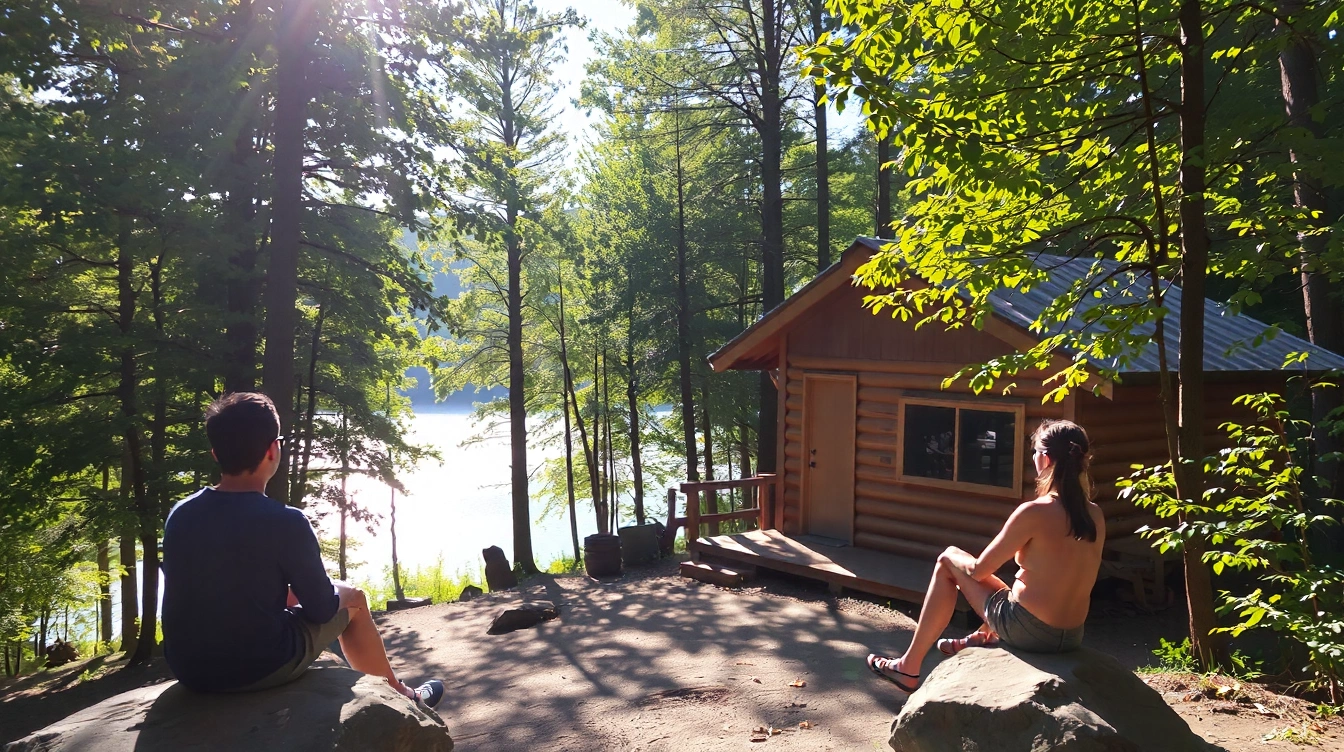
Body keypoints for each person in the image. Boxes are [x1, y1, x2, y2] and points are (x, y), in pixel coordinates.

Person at [162, 392, 444, 707]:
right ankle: (402, 696)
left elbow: (210, 589)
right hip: (256, 669)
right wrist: (327, 592)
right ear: (273, 449)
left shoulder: (181, 514)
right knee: (353, 598)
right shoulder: (285, 521)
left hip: (189, 670)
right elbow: (322, 610)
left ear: (216, 453)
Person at [866, 419, 1105, 693]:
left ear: (1046, 458)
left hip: (1030, 632)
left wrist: (955, 556)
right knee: (1008, 591)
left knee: (947, 561)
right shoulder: (1095, 514)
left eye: (1034, 453)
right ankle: (980, 636)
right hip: (1072, 635)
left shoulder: (1035, 511)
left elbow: (979, 570)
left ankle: (907, 667)